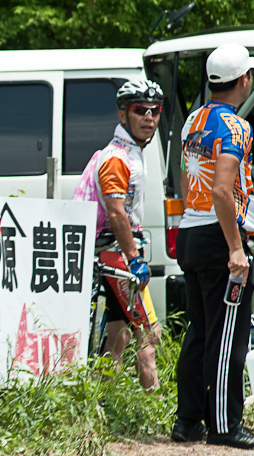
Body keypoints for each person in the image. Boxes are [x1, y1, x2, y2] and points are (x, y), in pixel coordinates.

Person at [172, 42, 254, 449]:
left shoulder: (193, 120)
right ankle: (225, 424)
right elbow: (223, 191)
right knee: (229, 339)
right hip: (219, 237)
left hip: (191, 231)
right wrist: (236, 248)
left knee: (200, 331)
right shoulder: (237, 126)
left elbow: (190, 184)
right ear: (244, 80)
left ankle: (188, 420)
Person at [91, 80, 164, 393]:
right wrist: (134, 259)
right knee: (149, 333)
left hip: (122, 252)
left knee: (118, 333)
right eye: (140, 111)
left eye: (155, 111)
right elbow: (117, 212)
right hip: (118, 254)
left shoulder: (134, 152)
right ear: (123, 115)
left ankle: (103, 405)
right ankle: (154, 407)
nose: (149, 118)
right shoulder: (117, 157)